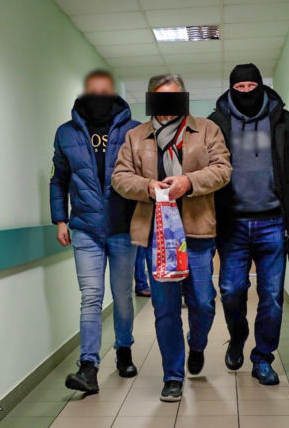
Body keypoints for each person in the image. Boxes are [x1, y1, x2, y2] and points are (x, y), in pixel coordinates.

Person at [112, 73, 231, 402]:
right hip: (156, 236)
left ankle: (197, 344)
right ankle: (173, 375)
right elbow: (120, 177)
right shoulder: (135, 136)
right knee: (165, 309)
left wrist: (188, 182)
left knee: (203, 303)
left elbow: (223, 168)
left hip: (197, 231)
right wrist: (147, 187)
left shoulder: (206, 129)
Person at [209, 63, 289, 385]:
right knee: (230, 290)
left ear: (260, 86)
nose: (246, 92)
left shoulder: (284, 120)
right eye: (239, 88)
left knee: (271, 296)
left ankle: (263, 358)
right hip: (232, 223)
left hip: (274, 222)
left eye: (251, 86)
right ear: (231, 90)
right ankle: (237, 335)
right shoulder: (216, 123)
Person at [50, 69, 141, 394]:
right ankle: (88, 366)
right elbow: (59, 179)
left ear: (114, 94)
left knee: (122, 296)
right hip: (85, 228)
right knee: (90, 297)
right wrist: (60, 219)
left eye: (105, 91)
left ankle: (124, 350)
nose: (99, 97)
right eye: (94, 91)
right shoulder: (66, 133)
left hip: (122, 227)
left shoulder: (133, 130)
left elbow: (142, 176)